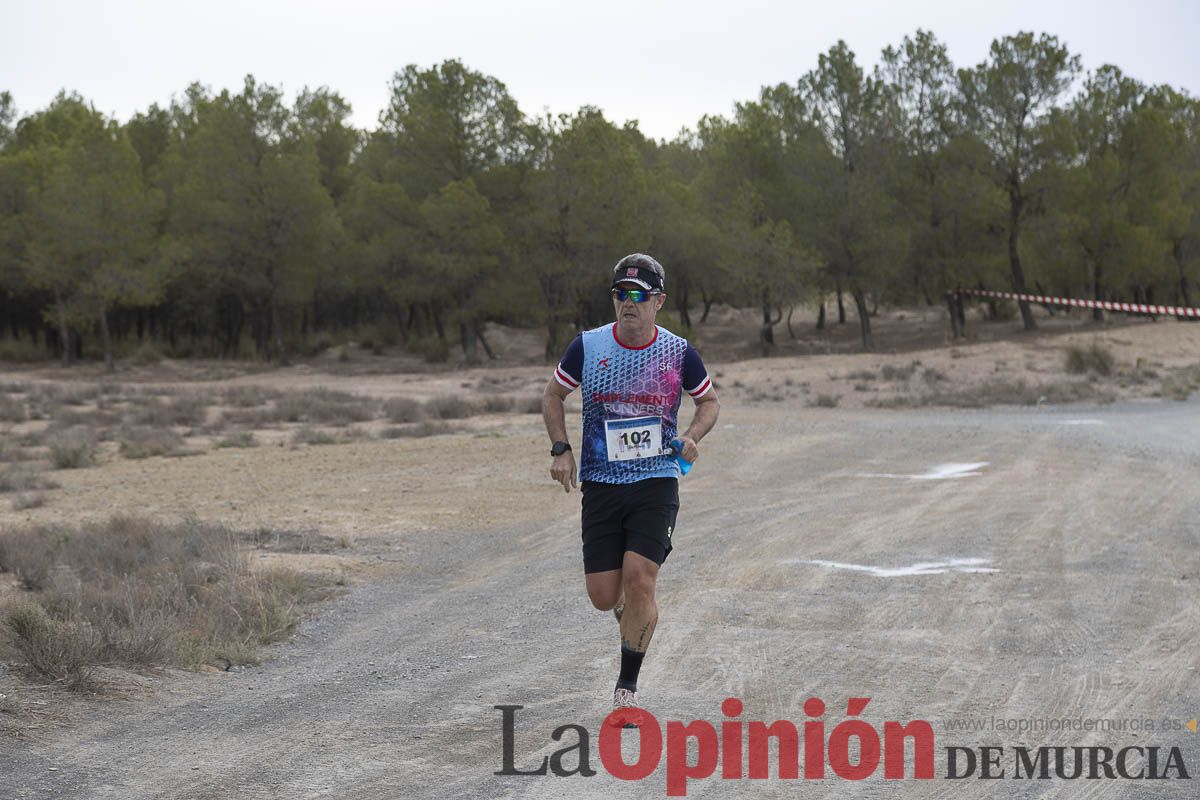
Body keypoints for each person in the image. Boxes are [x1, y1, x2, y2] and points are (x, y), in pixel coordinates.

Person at [541, 253, 720, 721]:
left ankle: (626, 688)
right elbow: (553, 394)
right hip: (601, 482)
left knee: (642, 576)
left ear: (658, 301)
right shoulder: (589, 347)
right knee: (604, 595)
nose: (629, 303)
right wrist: (561, 449)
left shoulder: (679, 353)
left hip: (657, 478)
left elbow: (709, 402)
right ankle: (629, 608)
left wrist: (692, 437)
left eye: (639, 295)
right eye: (621, 293)